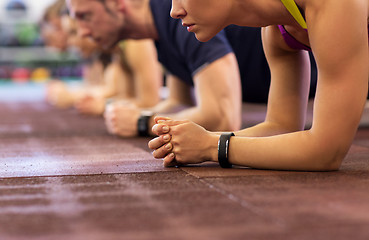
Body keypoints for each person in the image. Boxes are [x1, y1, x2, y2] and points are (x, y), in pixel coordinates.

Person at [148, 0, 369, 171]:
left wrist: (211, 146)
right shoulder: (276, 31)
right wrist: (194, 140)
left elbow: (327, 151)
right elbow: (281, 127)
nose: (174, 11)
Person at [67, 0, 278, 138]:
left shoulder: (182, 16)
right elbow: (180, 103)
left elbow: (223, 118)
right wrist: (142, 114)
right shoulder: (160, 32)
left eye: (85, 16)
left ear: (116, 3)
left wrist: (143, 122)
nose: (83, 32)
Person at [45, 6, 162, 113]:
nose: (71, 41)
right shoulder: (119, 49)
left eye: (73, 32)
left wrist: (104, 106)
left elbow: (149, 103)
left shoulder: (134, 42)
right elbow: (124, 96)